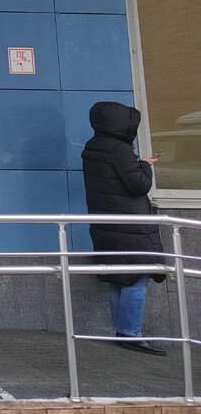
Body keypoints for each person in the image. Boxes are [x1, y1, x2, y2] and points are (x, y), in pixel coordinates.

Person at [81, 101, 167, 356]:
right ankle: (131, 333)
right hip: (130, 226)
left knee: (119, 277)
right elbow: (138, 185)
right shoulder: (119, 150)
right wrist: (145, 165)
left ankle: (122, 331)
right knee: (136, 277)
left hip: (108, 225)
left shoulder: (93, 146)